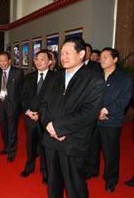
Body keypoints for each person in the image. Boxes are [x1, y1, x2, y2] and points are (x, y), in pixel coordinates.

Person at [39, 37, 104, 198]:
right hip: (51, 140)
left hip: (73, 142)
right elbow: (42, 103)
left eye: (68, 53)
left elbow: (88, 113)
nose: (63, 57)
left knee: (75, 187)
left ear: (81, 54)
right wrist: (48, 124)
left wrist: (59, 128)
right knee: (53, 185)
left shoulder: (94, 79)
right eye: (61, 53)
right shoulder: (55, 76)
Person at [87, 48, 132, 192]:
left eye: (106, 57)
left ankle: (111, 179)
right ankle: (92, 170)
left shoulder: (124, 79)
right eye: (101, 57)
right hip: (94, 120)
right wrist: (95, 111)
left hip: (111, 121)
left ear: (115, 60)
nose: (102, 59)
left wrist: (105, 110)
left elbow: (124, 100)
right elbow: (89, 96)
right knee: (92, 148)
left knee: (110, 152)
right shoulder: (96, 76)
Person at [20, 49, 55, 183]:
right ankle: (29, 167)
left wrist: (41, 114)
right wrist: (28, 111)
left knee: (44, 146)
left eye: (42, 59)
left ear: (49, 62)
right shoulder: (29, 77)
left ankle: (45, 172)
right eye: (36, 59)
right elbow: (23, 97)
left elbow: (55, 100)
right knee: (30, 145)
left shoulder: (55, 78)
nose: (38, 62)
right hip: (30, 117)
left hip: (45, 119)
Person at [0, 52, 24, 162]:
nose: (2, 63)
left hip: (13, 106)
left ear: (10, 61)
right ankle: (6, 147)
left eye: (4, 60)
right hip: (0, 105)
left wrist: (21, 107)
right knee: (3, 128)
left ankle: (12, 152)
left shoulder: (18, 73)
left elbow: (22, 91)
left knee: (12, 129)